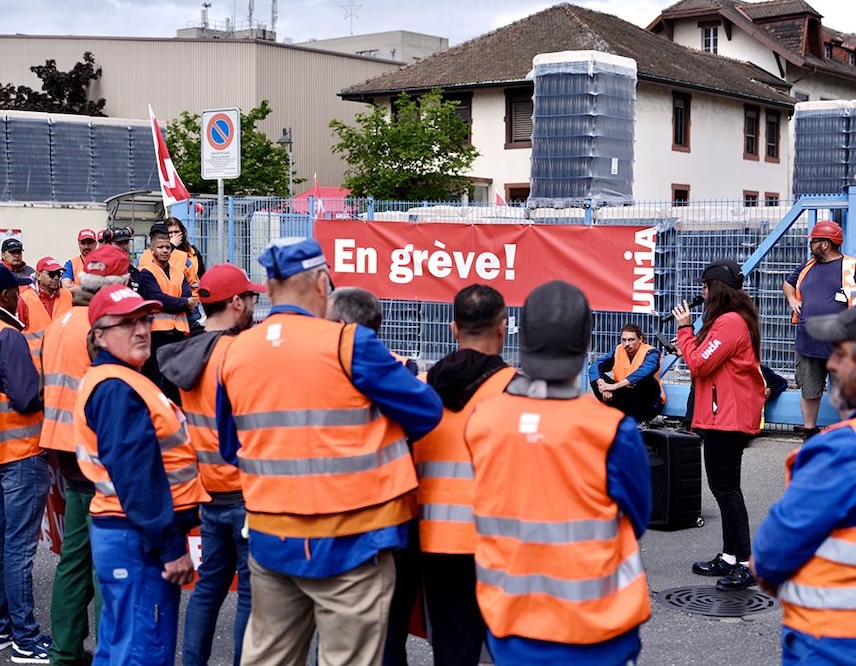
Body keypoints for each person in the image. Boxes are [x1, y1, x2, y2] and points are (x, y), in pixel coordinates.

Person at [217, 237, 443, 666]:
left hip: (272, 537)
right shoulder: (349, 344)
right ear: (322, 283)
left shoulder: (235, 352)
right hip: (352, 543)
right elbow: (427, 412)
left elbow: (232, 449)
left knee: (268, 658)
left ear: (269, 288)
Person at [464, 280, 651, 665]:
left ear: (522, 338)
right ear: (585, 344)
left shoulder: (484, 420)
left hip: (512, 624)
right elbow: (636, 519)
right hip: (600, 629)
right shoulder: (612, 430)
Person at [73, 284, 209, 664]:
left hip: (129, 534)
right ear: (100, 335)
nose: (141, 330)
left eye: (145, 320)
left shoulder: (120, 380)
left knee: (122, 646)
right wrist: (171, 549)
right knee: (141, 650)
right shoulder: (117, 387)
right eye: (126, 323)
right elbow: (137, 479)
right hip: (137, 539)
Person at [158, 264, 264, 666]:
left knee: (209, 588)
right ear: (236, 303)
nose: (253, 305)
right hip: (245, 492)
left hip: (210, 491)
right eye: (250, 298)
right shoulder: (239, 354)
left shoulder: (190, 352)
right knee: (250, 594)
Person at [415, 284, 516, 666]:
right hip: (496, 542)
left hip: (432, 540)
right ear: (503, 327)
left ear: (454, 329)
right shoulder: (517, 391)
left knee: (452, 650)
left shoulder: (421, 388)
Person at [40, 244, 131, 666]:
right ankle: (111, 652)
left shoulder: (61, 321)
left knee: (74, 557)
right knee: (106, 557)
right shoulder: (100, 326)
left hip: (62, 447)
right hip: (95, 449)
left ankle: (65, 650)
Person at [753, 305, 856, 665]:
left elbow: (773, 552)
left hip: (831, 643)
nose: (831, 364)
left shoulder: (840, 452)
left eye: (841, 354)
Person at [325, 285, 419, 666]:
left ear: (343, 325)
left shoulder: (324, 370)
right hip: (391, 514)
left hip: (343, 516)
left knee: (340, 631)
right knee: (390, 630)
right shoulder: (402, 368)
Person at [671, 258, 765, 591]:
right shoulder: (731, 320)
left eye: (705, 286)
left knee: (726, 490)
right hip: (722, 414)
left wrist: (685, 330)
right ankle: (729, 556)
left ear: (717, 289)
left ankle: (745, 564)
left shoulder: (730, 322)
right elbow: (706, 360)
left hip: (727, 417)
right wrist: (687, 344)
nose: (701, 292)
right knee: (725, 488)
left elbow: (699, 364)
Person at [0, 264, 51, 664]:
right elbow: (24, 395)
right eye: (16, 291)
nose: (20, 296)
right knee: (18, 550)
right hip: (20, 454)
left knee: (4, 545)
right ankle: (25, 639)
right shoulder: (8, 335)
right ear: (5, 295)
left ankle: (5, 627)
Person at [783, 220, 856, 439]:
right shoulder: (807, 266)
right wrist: (792, 299)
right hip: (808, 345)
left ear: (825, 244)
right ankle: (809, 431)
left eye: (813, 241)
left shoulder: (851, 267)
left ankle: (849, 436)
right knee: (809, 391)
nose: (810, 245)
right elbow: (788, 284)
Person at [138, 224, 197, 402]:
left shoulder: (179, 273)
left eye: (167, 247)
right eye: (160, 247)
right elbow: (158, 299)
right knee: (156, 379)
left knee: (175, 381)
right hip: (157, 334)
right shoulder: (146, 272)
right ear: (152, 250)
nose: (164, 250)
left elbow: (186, 298)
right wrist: (183, 303)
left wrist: (177, 302)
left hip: (178, 333)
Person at [588, 323, 666, 423]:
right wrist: (603, 385)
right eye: (624, 340)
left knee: (646, 379)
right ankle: (614, 414)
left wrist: (614, 386)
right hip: (624, 397)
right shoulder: (618, 349)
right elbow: (596, 366)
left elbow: (646, 370)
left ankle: (635, 419)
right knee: (596, 375)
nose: (627, 344)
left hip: (647, 403)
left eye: (631, 340)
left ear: (640, 339)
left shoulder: (652, 352)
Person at [19, 257, 73, 374]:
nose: (56, 278)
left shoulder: (67, 295)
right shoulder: (25, 299)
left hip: (64, 364)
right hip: (36, 367)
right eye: (51, 274)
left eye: (59, 274)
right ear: (38, 275)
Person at [102, 227, 142, 293]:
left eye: (126, 242)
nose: (124, 247)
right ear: (107, 246)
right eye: (119, 243)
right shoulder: (99, 271)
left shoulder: (135, 273)